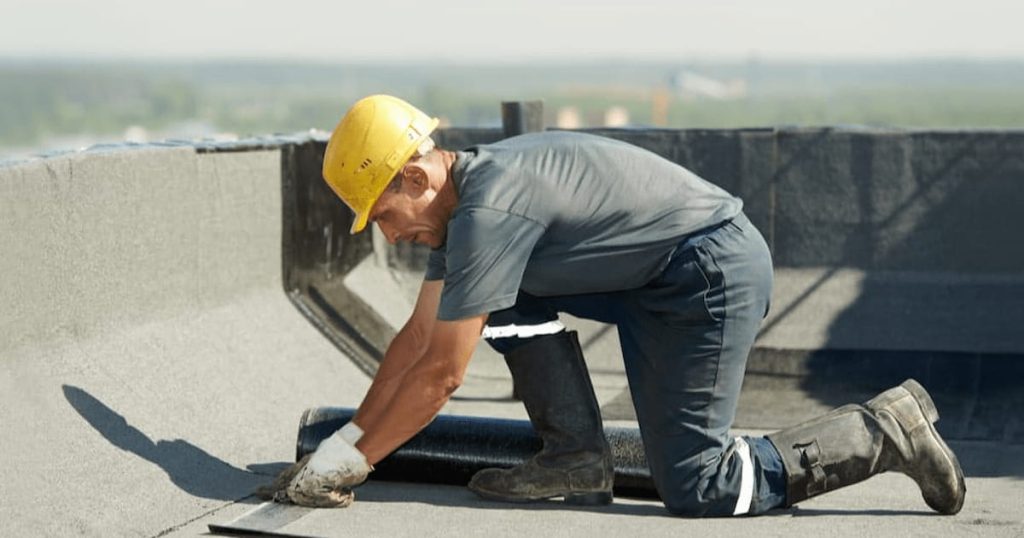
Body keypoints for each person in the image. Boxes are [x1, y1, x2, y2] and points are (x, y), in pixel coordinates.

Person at [272, 94, 966, 516]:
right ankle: (575, 455)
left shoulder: (489, 210)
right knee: (492, 299)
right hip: (654, 278)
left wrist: (353, 465)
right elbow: (416, 343)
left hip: (707, 276)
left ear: (417, 175)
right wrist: (341, 444)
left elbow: (440, 377)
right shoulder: (464, 213)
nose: (390, 235)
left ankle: (881, 432)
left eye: (386, 214)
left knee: (700, 487)